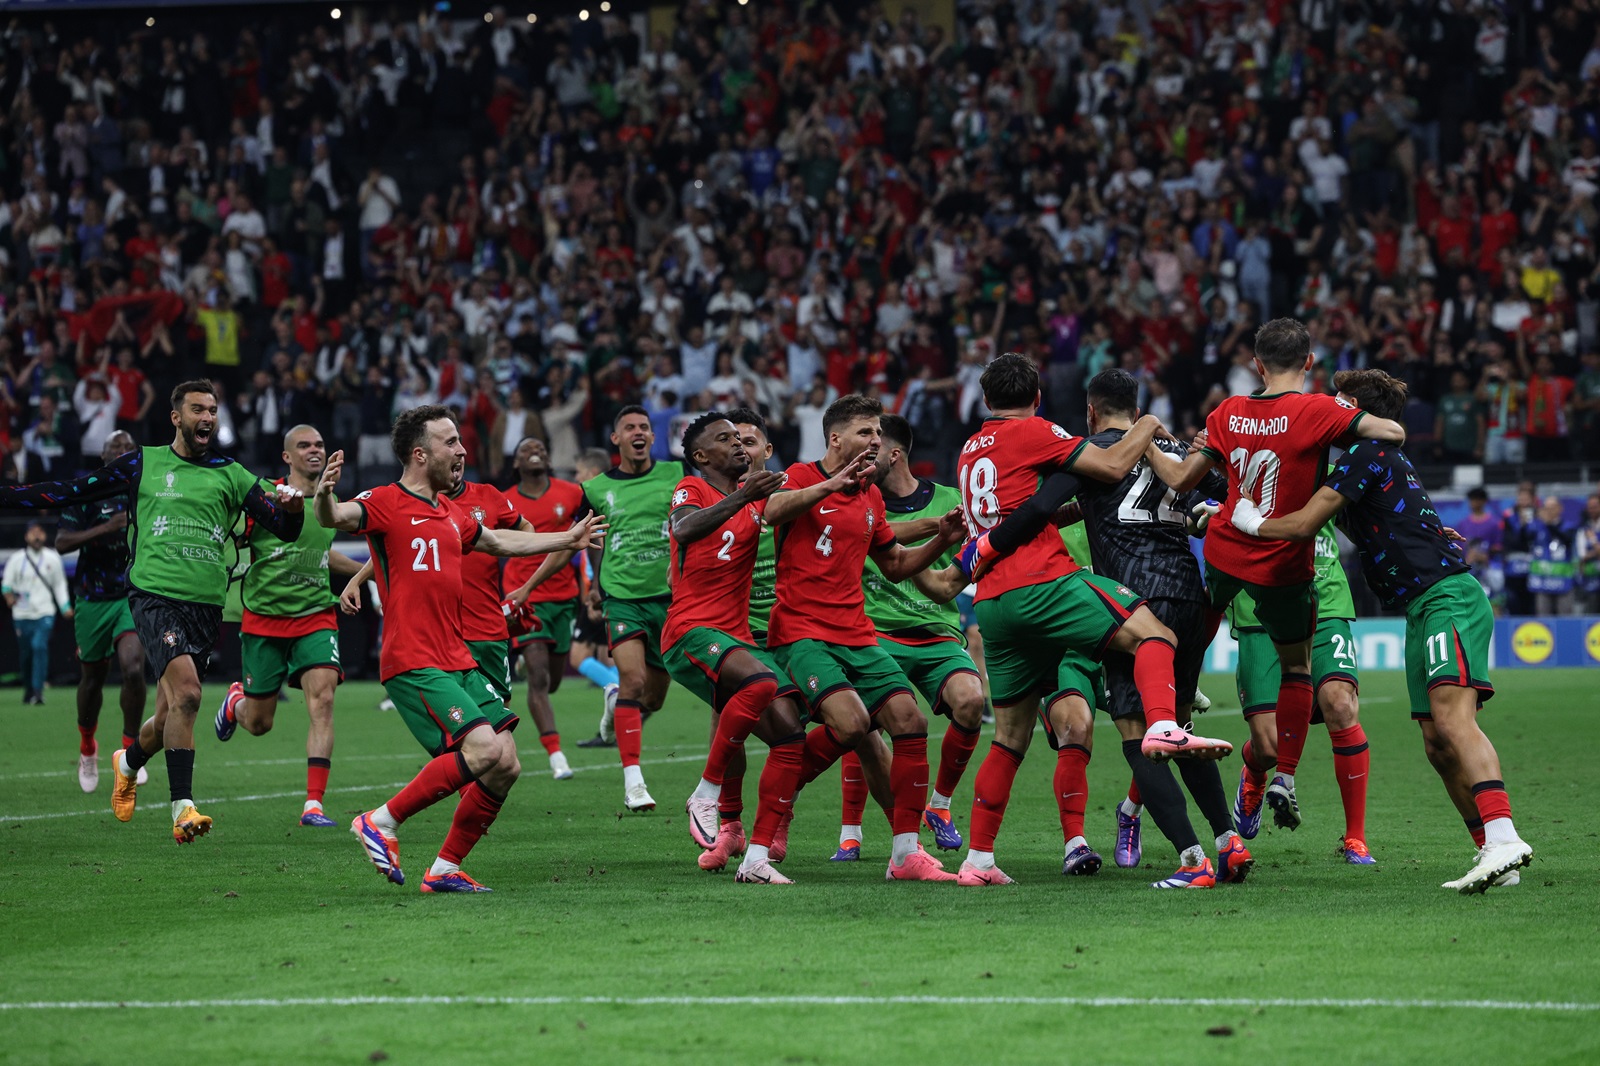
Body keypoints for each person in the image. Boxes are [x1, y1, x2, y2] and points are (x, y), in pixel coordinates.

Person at [1232, 368, 1532, 893]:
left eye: (1336, 403)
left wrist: (1249, 521)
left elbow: (1305, 524)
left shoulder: (1365, 455)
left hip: (1447, 599)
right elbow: (1356, 519)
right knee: (1437, 744)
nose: (1327, 410)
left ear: (1353, 409)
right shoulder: (1368, 462)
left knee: (1452, 719)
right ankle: (1490, 849)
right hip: (1421, 608)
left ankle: (1505, 837)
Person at [938, 356, 1231, 887]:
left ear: (985, 402)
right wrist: (1147, 426)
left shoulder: (969, 450)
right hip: (1059, 584)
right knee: (1154, 638)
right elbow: (1119, 469)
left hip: (995, 600)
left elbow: (1043, 502)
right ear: (1039, 398)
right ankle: (1175, 746)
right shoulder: (1040, 431)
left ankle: (978, 859)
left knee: (1008, 737)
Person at [314, 405, 605, 893]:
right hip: (414, 659)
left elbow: (498, 542)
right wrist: (323, 496)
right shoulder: (386, 500)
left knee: (507, 761)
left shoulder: (451, 511)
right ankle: (380, 820)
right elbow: (339, 515)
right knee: (485, 747)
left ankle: (445, 869)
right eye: (451, 442)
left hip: (459, 659)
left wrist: (569, 538)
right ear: (421, 453)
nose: (462, 450)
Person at [0, 380, 305, 843]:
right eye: (197, 409)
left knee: (168, 718)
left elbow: (284, 529)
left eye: (213, 410)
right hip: (153, 597)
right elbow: (69, 491)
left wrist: (295, 507)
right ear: (176, 417)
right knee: (188, 695)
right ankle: (182, 808)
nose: (207, 418)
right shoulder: (144, 462)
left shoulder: (233, 473)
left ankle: (128, 761)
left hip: (204, 607)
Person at [1143, 318, 1405, 832]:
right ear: (1309, 363)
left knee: (1199, 629)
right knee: (1298, 670)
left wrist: (1149, 436)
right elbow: (1392, 432)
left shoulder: (1228, 411)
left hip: (1225, 549)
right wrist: (1348, 414)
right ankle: (1284, 774)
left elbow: (1177, 478)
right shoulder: (1319, 410)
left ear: (1256, 365)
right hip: (1283, 560)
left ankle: (1179, 705)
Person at [764, 394, 968, 883]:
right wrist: (833, 484)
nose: (875, 441)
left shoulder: (870, 496)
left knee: (909, 719)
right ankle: (780, 805)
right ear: (835, 439)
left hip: (856, 632)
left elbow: (895, 564)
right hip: (802, 631)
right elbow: (771, 511)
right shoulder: (799, 475)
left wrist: (941, 537)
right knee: (853, 726)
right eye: (865, 432)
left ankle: (905, 854)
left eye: (878, 433)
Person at [665, 411, 813, 883]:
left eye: (740, 438)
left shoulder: (756, 501)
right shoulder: (692, 488)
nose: (737, 444)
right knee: (761, 680)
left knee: (791, 736)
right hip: (691, 631)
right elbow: (683, 529)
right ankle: (706, 795)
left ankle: (757, 858)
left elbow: (801, 497)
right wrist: (745, 496)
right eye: (724, 439)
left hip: (739, 635)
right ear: (701, 456)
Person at [837, 413, 986, 861]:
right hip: (876, 633)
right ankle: (850, 830)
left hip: (938, 633)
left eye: (874, 444)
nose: (865, 452)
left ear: (894, 454)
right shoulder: (856, 501)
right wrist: (931, 531)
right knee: (859, 720)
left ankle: (938, 807)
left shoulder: (949, 499)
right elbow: (871, 540)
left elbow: (966, 563)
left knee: (972, 700)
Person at [211, 424, 364, 827]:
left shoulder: (331, 503)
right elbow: (233, 540)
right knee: (259, 724)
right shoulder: (263, 496)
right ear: (287, 457)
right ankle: (235, 702)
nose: (314, 450)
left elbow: (321, 554)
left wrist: (368, 574)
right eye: (304, 445)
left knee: (324, 699)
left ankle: (314, 804)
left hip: (315, 616)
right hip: (263, 619)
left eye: (319, 444)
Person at [1227, 517, 1374, 865]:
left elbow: (1360, 516)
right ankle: (1254, 770)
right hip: (1257, 607)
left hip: (1325, 597)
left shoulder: (1323, 466)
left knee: (1340, 705)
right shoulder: (1233, 465)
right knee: (1270, 745)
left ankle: (1355, 837)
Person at [581, 405, 682, 811]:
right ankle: (634, 783)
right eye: (629, 428)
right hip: (621, 597)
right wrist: (594, 584)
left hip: (669, 599)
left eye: (644, 427)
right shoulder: (595, 488)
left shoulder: (677, 475)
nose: (638, 433)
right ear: (616, 439)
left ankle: (613, 702)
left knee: (653, 699)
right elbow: (590, 538)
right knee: (634, 681)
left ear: (652, 438)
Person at [55, 430, 147, 792]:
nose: (123, 451)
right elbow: (62, 542)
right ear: (104, 456)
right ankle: (87, 746)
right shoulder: (86, 492)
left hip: (131, 594)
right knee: (92, 679)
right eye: (116, 447)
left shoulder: (143, 492)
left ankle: (129, 752)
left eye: (129, 448)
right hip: (93, 598)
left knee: (134, 667)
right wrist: (106, 528)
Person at [501, 436, 589, 780]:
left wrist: (592, 587)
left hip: (563, 598)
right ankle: (556, 755)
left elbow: (591, 533)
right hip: (523, 597)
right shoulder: (505, 501)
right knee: (538, 678)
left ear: (549, 458)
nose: (534, 452)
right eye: (525, 449)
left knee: (552, 682)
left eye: (539, 448)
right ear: (515, 463)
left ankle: (526, 661)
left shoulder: (572, 493)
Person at [4, 520, 71, 706]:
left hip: (44, 612)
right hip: (22, 615)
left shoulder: (52, 558)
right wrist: (9, 596)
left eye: (39, 531)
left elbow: (59, 585)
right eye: (32, 532)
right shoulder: (17, 559)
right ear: (26, 536)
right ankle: (28, 688)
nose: (36, 535)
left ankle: (37, 691)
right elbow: (6, 584)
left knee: (39, 646)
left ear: (44, 535)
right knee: (26, 654)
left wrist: (65, 607)